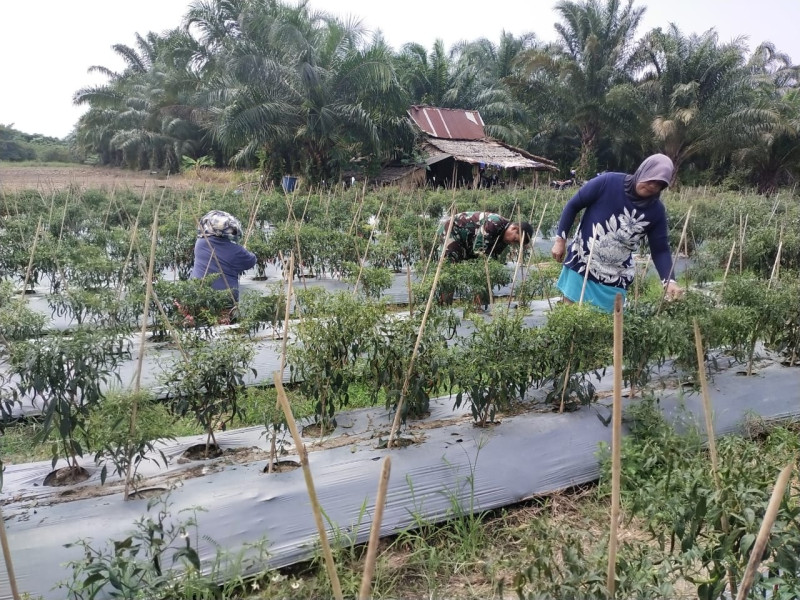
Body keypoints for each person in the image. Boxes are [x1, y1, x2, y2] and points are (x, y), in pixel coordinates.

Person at [550, 154, 683, 312]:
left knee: (607, 329)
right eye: (651, 178)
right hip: (581, 263)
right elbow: (573, 205)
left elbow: (660, 250)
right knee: (571, 317)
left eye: (659, 184)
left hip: (615, 277)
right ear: (642, 171)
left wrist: (669, 281)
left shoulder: (656, 211)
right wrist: (560, 240)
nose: (653, 185)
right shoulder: (608, 182)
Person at [191, 210, 256, 303]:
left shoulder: (200, 243)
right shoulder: (235, 250)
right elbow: (251, 260)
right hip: (225, 299)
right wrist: (243, 250)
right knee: (225, 317)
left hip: (198, 294)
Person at [438, 211, 534, 263]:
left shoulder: (505, 239)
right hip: (453, 229)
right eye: (515, 239)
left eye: (516, 243)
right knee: (450, 263)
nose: (513, 243)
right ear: (514, 228)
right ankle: (445, 299)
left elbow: (494, 256)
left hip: (467, 239)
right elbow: (479, 250)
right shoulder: (494, 223)